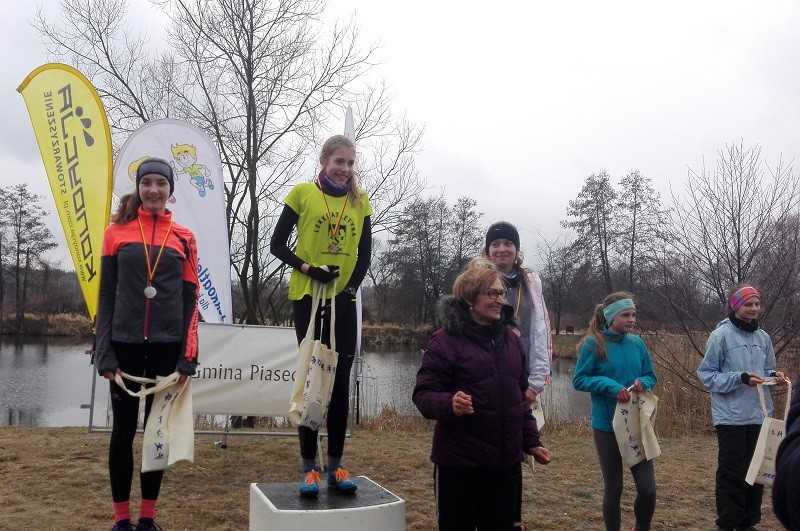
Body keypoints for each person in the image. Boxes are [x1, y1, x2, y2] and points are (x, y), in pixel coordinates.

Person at [95, 158, 199, 531]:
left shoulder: (185, 237)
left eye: (161, 183)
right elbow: (106, 297)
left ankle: (148, 519)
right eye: (147, 183)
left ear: (171, 190)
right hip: (123, 345)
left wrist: (189, 354)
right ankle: (121, 520)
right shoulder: (116, 233)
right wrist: (103, 349)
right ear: (138, 188)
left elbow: (191, 298)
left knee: (157, 432)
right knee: (122, 433)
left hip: (167, 348)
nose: (153, 189)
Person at [413, 258, 551, 530]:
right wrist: (449, 403)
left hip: (505, 466)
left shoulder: (512, 341)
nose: (501, 300)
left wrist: (531, 442)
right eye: (493, 294)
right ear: (469, 300)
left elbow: (519, 400)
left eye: (502, 293)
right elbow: (424, 395)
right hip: (459, 466)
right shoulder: (444, 341)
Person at [270, 134, 372, 497]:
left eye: (350, 163)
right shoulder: (302, 193)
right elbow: (277, 244)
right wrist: (310, 269)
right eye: (339, 162)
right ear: (324, 161)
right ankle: (309, 467)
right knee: (315, 379)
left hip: (342, 302)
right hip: (308, 299)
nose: (344, 169)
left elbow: (364, 256)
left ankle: (337, 465)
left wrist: (348, 291)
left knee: (341, 382)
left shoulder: (361, 202)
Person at [697, 284, 788, 531]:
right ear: (736, 306)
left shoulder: (763, 337)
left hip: (760, 414)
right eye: (748, 304)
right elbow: (707, 376)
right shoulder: (720, 336)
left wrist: (773, 376)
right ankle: (727, 523)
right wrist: (740, 378)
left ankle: (749, 522)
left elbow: (765, 370)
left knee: (756, 469)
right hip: (731, 416)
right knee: (732, 471)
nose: (754, 309)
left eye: (757, 304)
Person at [483, 221, 552, 530]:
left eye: (507, 244)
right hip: (486, 368)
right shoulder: (478, 277)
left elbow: (540, 329)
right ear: (488, 250)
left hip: (519, 369)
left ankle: (514, 518)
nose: (502, 249)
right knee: (485, 440)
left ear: (516, 249)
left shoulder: (530, 282)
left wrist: (536, 381)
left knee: (515, 443)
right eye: (496, 244)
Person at [572, 292, 657, 531]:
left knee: (648, 490)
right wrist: (611, 387)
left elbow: (651, 376)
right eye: (626, 315)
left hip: (636, 424)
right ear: (610, 318)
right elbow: (580, 380)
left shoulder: (637, 343)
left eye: (634, 315)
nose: (632, 320)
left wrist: (643, 382)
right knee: (614, 487)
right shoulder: (593, 343)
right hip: (606, 425)